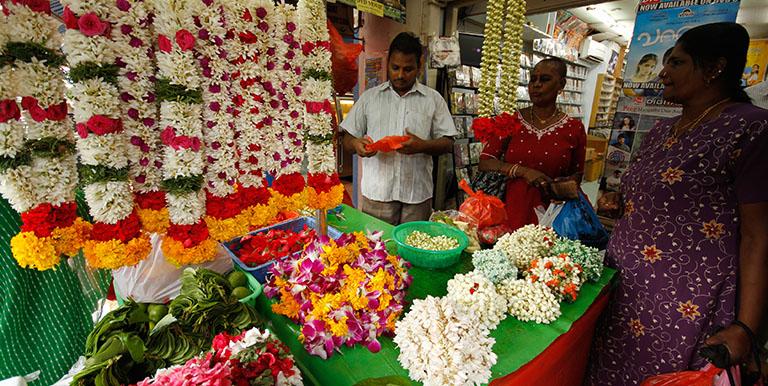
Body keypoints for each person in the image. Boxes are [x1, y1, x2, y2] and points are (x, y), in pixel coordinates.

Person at [587, 22, 768, 385]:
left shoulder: (751, 129)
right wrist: (620, 201)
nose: (663, 73)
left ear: (714, 68)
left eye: (677, 63)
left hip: (683, 305)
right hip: (624, 292)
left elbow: (758, 236)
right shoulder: (660, 132)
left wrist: (745, 327)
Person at [341, 32, 457, 225]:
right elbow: (347, 139)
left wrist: (422, 146)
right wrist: (356, 143)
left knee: (412, 253)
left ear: (419, 66)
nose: (400, 75)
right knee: (375, 249)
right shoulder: (370, 98)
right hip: (377, 194)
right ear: (388, 64)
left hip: (417, 196)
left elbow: (448, 143)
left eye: (408, 69)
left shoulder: (433, 99)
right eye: (395, 68)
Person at [478, 57, 586, 230]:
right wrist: (523, 171)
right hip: (511, 207)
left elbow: (577, 174)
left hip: (553, 213)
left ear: (561, 84)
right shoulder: (511, 121)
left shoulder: (574, 128)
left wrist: (561, 189)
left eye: (544, 79)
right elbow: (485, 161)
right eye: (532, 79)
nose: (536, 85)